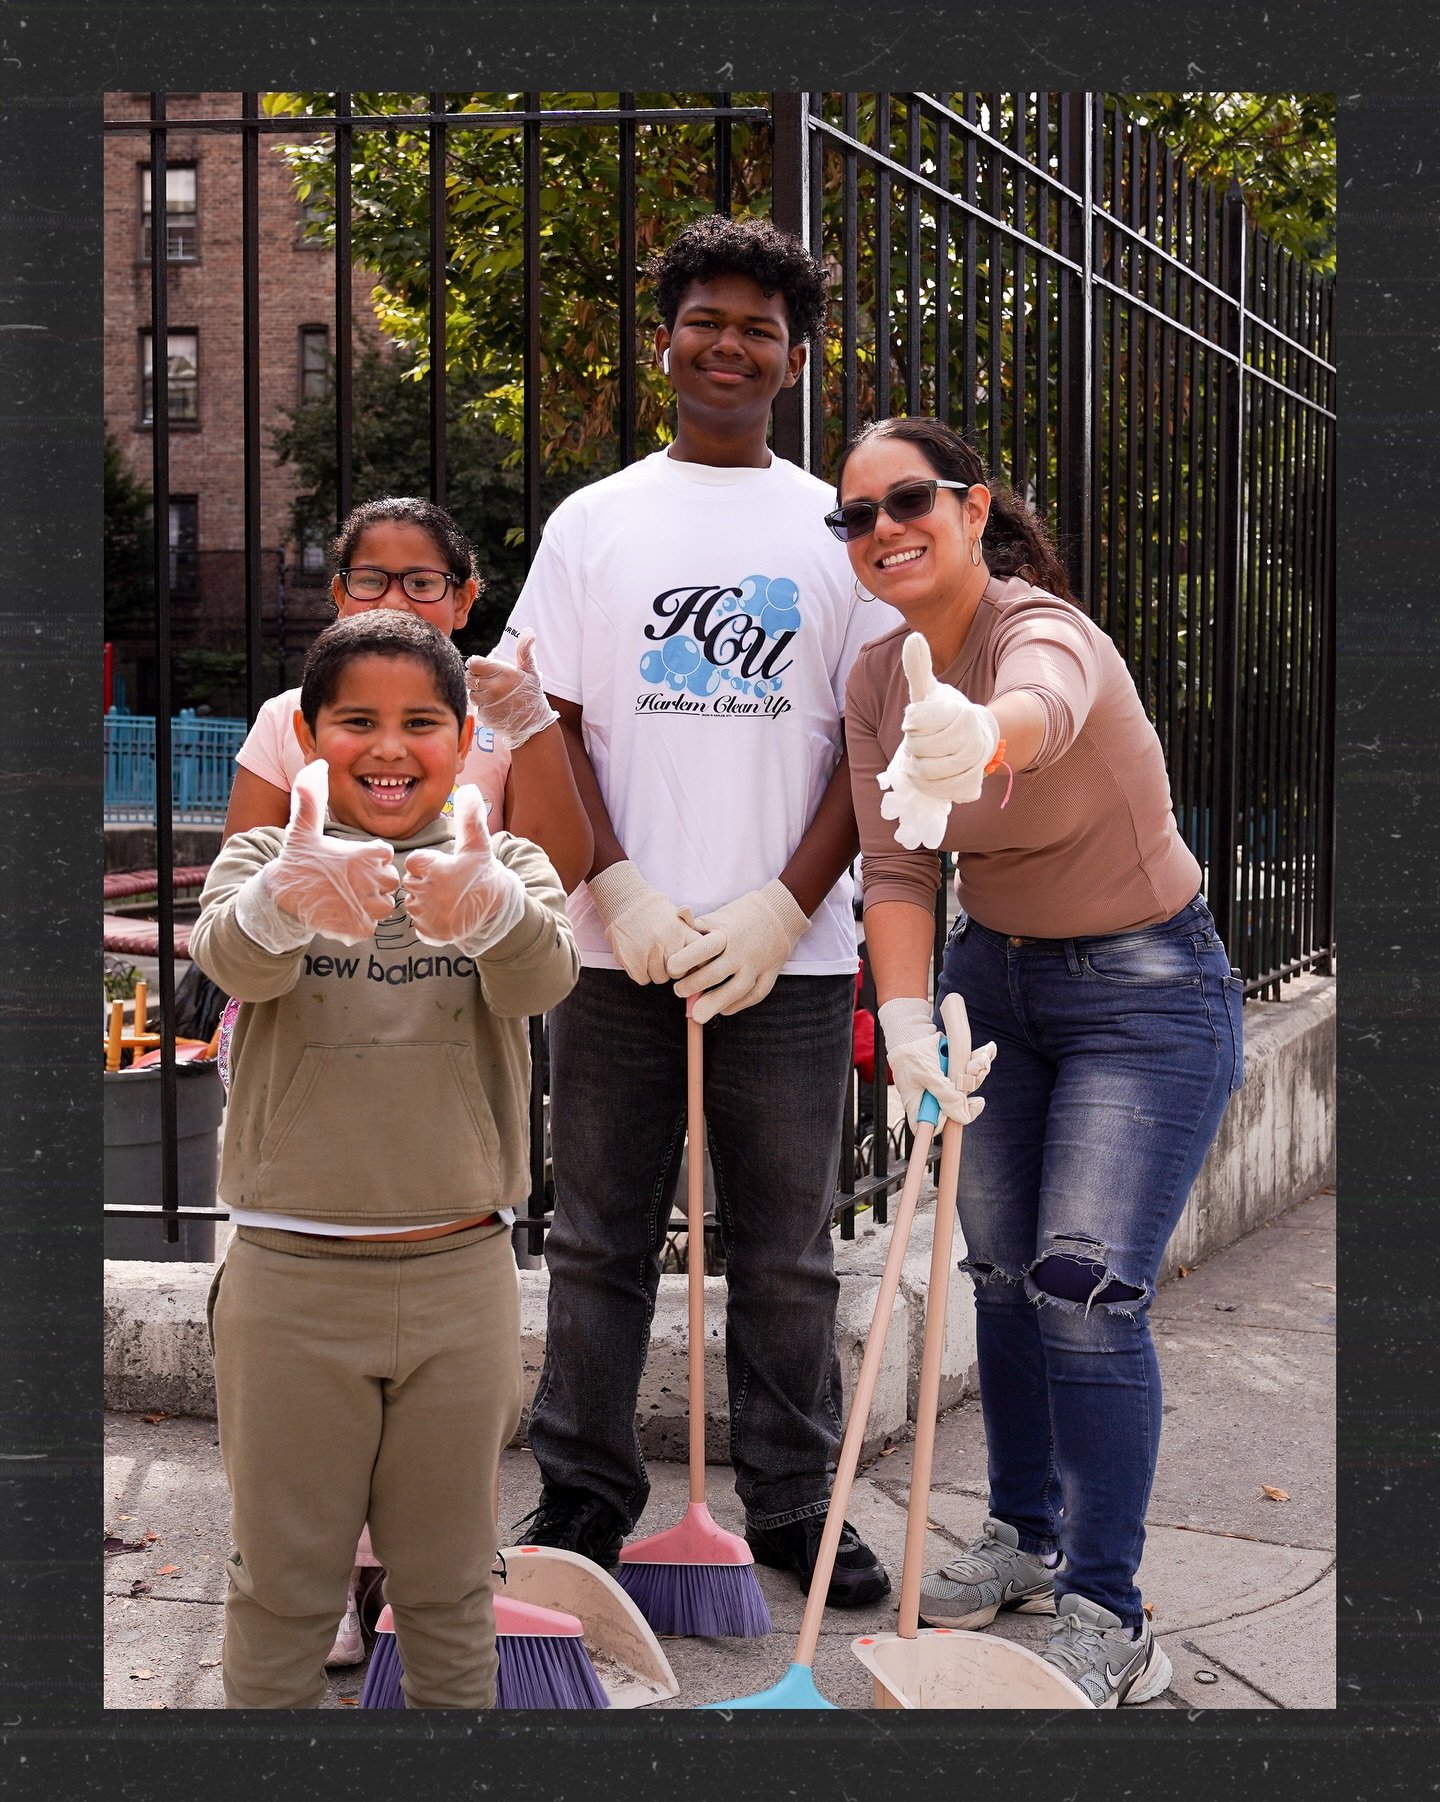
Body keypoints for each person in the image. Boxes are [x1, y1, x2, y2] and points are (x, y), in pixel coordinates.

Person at [497, 214, 902, 1607]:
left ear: (796, 357)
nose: (729, 345)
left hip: (790, 964)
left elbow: (874, 738)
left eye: (759, 328)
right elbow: (538, 719)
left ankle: (794, 1500)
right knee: (599, 1234)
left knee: (787, 1249)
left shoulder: (837, 530)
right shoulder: (595, 521)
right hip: (618, 955)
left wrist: (790, 908)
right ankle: (585, 1494)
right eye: (706, 320)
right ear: (664, 337)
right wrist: (613, 882)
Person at [837, 416, 1244, 1707]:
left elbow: (1048, 705)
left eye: (910, 500)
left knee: (1083, 1286)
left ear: (972, 507)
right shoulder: (873, 683)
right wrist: (906, 1027)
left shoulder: (1040, 629)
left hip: (1146, 994)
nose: (885, 529)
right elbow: (898, 867)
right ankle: (1022, 1532)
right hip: (993, 977)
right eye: (857, 516)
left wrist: (982, 738)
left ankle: (1112, 1612)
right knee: (1003, 1274)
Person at [216, 497, 591, 1666]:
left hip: (457, 1274)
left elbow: (544, 977)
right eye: (356, 722)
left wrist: (489, 910)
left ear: (462, 734)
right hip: (287, 1279)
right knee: (282, 1591)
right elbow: (224, 955)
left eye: (423, 721)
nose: (388, 746)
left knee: (447, 1595)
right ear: (308, 733)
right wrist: (282, 901)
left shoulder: (505, 859)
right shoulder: (262, 857)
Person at [223, 495, 592, 893]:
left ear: (462, 601)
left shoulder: (505, 719)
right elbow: (242, 879)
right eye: (370, 579)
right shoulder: (284, 716)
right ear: (341, 596)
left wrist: (532, 727)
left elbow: (555, 874)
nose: (395, 600)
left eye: (421, 583)